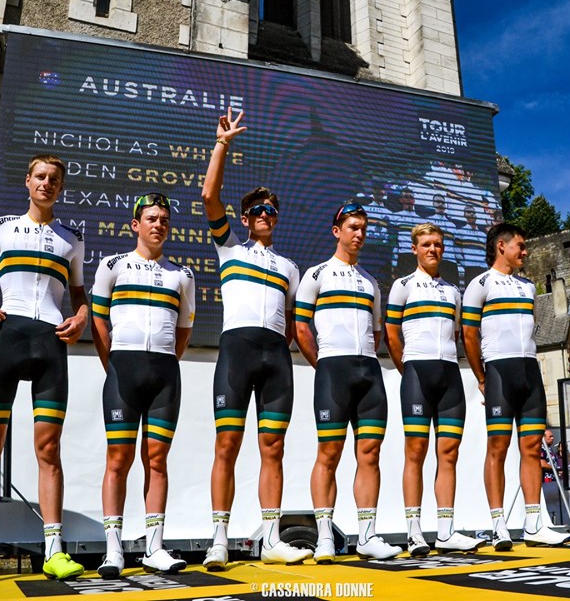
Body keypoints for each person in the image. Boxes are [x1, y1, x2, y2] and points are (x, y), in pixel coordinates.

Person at [0, 155, 87, 585]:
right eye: (40, 177)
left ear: (60, 188)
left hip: (49, 346)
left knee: (49, 450)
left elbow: (81, 296)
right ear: (28, 182)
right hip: (6, 341)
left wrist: (81, 318)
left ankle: (54, 549)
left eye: (54, 179)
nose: (47, 184)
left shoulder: (72, 238)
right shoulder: (4, 226)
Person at [201, 108, 311, 569]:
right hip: (237, 350)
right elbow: (209, 194)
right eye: (258, 210)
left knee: (274, 447)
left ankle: (270, 538)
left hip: (275, 358)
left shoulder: (290, 268)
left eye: (272, 210)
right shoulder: (229, 247)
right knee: (226, 445)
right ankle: (220, 539)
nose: (267, 215)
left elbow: (291, 320)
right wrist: (223, 142)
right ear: (246, 219)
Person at [91, 192, 195, 578]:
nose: (158, 225)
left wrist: (164, 362)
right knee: (118, 460)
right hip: (123, 370)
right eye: (151, 218)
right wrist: (113, 364)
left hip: (165, 374)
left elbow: (183, 331)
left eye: (164, 219)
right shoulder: (112, 265)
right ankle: (113, 549)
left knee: (157, 460)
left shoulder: (182, 275)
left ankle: (154, 546)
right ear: (136, 224)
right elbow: (99, 322)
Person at [295, 202, 401, 563]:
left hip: (369, 374)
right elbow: (300, 328)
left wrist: (362, 363)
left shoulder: (371, 282)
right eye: (352, 227)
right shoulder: (316, 275)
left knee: (369, 454)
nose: (359, 233)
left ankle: (367, 535)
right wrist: (323, 363)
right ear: (336, 230)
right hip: (333, 371)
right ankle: (325, 535)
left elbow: (376, 335)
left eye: (363, 228)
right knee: (329, 453)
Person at [461, 223, 570, 550]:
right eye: (520, 246)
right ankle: (499, 526)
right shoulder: (479, 285)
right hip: (498, 371)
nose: (525, 252)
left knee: (532, 448)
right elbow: (469, 335)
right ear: (501, 246)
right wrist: (482, 377)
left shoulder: (528, 287)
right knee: (497, 447)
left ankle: (534, 523)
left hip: (529, 372)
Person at [385, 223, 486, 557]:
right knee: (415, 453)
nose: (433, 250)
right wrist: (408, 368)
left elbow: (457, 336)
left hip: (450, 376)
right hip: (416, 372)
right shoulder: (401, 287)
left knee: (449, 455)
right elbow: (391, 335)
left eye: (438, 245)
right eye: (426, 244)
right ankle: (414, 532)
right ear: (414, 249)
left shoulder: (453, 292)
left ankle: (445, 531)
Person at [540, 429, 566, 525]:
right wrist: (555, 469)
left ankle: (558, 523)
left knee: (556, 505)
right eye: (550, 437)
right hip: (546, 482)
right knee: (549, 506)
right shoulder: (541, 448)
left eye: (553, 436)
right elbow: (541, 463)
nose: (553, 438)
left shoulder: (550, 449)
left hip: (554, 481)